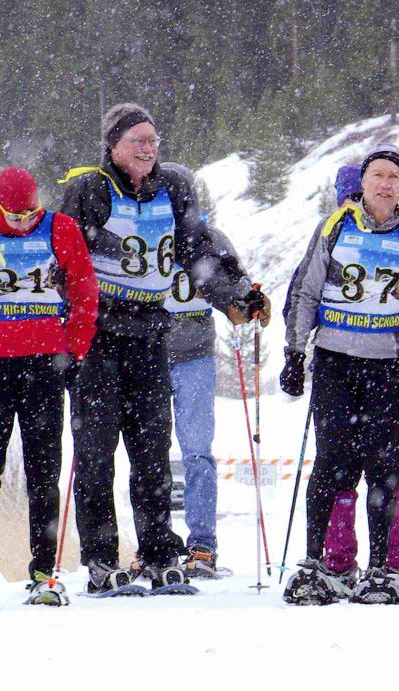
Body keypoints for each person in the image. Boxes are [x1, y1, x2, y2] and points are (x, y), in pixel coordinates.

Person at [59, 103, 268, 593]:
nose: (149, 148)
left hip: (151, 332)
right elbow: (63, 257)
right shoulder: (89, 188)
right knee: (96, 450)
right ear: (113, 145)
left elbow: (198, 253)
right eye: (138, 141)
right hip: (100, 336)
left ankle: (157, 551)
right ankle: (101, 559)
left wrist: (237, 296)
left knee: (152, 448)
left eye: (153, 140)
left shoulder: (173, 186)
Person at [280, 143, 399, 605]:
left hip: (387, 365)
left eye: (394, 177)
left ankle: (377, 568)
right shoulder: (335, 226)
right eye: (377, 176)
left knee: (387, 467)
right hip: (335, 360)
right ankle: (314, 562)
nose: (385, 184)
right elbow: (307, 292)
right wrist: (294, 353)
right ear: (364, 182)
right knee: (331, 462)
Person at [0, 166, 99, 606]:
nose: (22, 221)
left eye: (28, 213)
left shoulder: (61, 229)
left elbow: (83, 291)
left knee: (43, 472)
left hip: (44, 365)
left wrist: (75, 351)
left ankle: (44, 571)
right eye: (13, 215)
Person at [163, 169, 246, 578]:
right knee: (152, 454)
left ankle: (202, 545)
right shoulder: (147, 232)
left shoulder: (210, 238)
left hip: (195, 356)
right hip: (147, 356)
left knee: (197, 451)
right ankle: (156, 541)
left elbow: (239, 282)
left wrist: (248, 300)